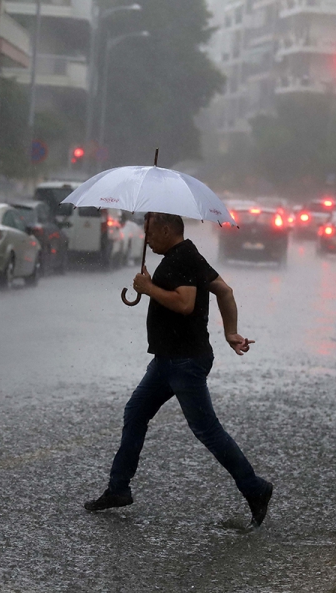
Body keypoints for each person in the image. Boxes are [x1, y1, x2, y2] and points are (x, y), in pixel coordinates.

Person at [84, 212, 273, 526]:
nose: (147, 238)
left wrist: (148, 287)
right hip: (168, 360)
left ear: (166, 228)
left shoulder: (180, 259)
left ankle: (255, 488)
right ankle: (118, 489)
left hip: (184, 362)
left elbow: (185, 304)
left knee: (207, 431)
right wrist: (230, 333)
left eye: (150, 232)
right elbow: (225, 291)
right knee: (135, 412)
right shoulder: (187, 254)